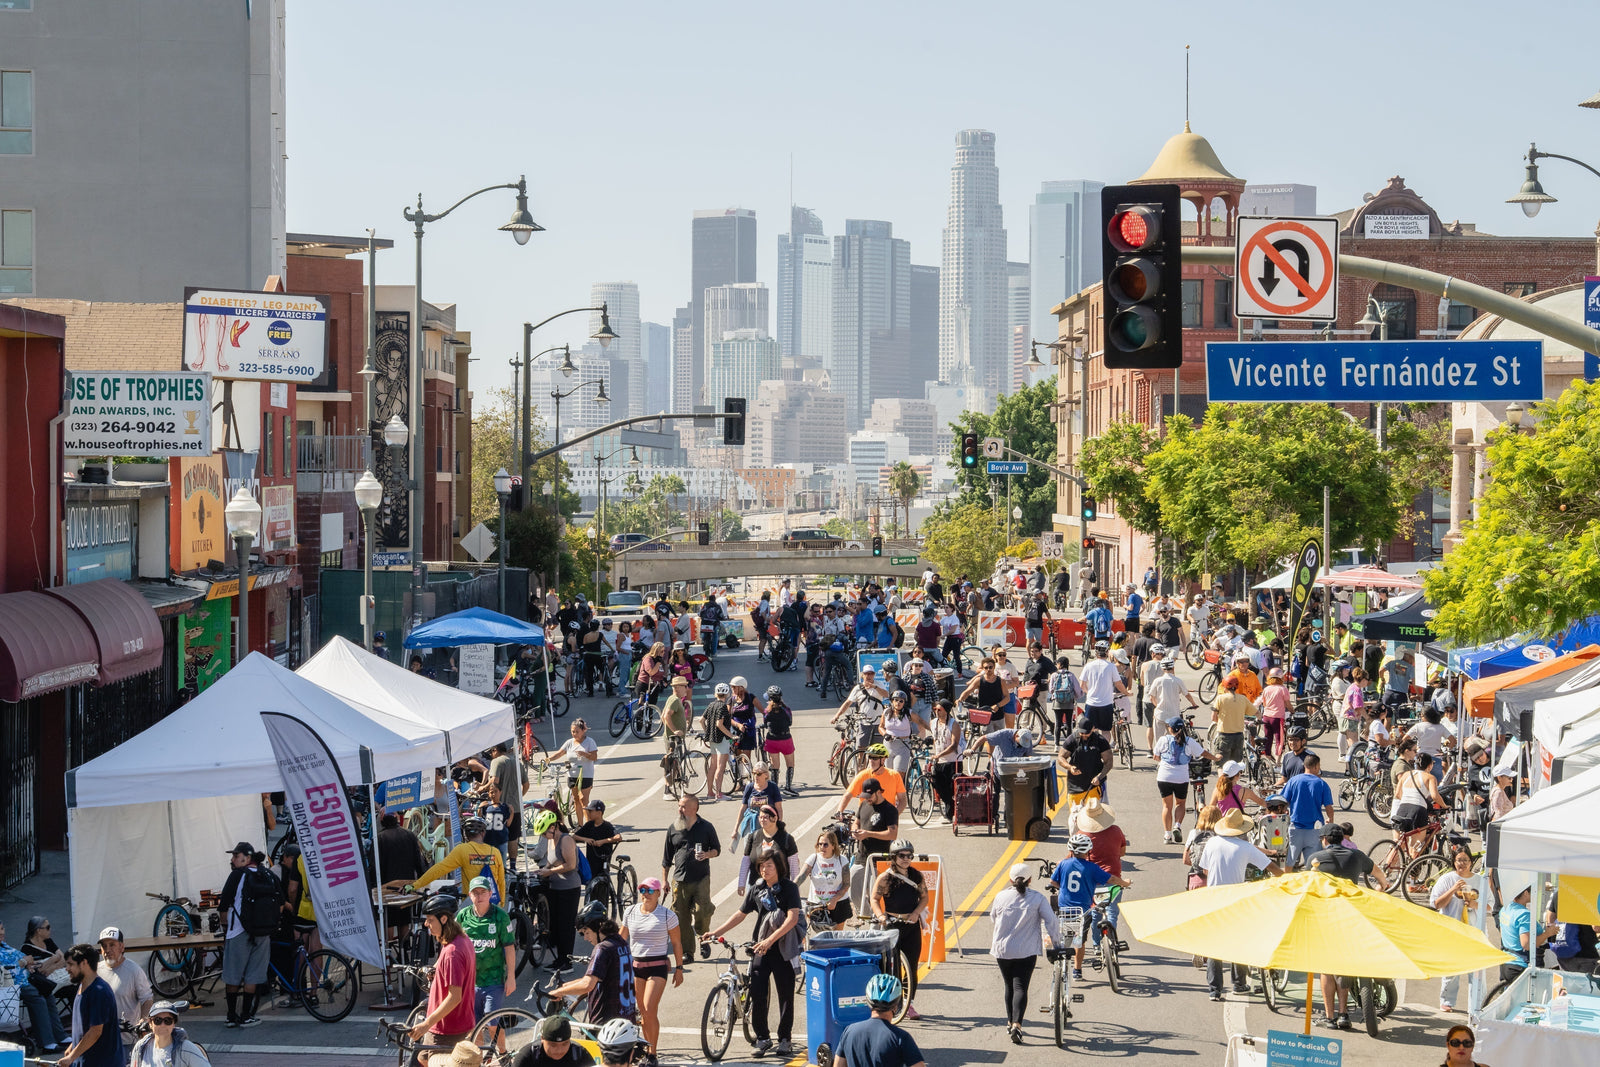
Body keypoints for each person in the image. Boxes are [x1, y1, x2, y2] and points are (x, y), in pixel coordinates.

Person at [703, 848, 802, 1059]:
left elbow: (792, 919)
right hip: (760, 948)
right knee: (757, 993)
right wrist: (716, 932)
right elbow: (741, 914)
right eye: (761, 866)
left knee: (785, 995)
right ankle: (763, 1038)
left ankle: (785, 1039)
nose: (764, 869)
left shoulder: (789, 888)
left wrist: (769, 940)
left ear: (778, 867)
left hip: (782, 947)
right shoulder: (756, 888)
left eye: (769, 865)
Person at [1197, 811, 1281, 1001]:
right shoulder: (1245, 847)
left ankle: (1214, 990)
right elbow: (1272, 868)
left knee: (1214, 947)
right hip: (1235, 899)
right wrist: (1287, 878)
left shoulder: (1212, 843)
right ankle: (1239, 983)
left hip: (1213, 898)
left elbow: (1204, 869)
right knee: (1238, 941)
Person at [989, 862, 1064, 1045]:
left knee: (1009, 986)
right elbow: (1051, 922)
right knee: (1020, 986)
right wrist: (1057, 944)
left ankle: (1009, 1022)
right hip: (1026, 950)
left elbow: (993, 918)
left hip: (1003, 950)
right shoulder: (1037, 898)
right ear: (1030, 880)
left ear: (1010, 879)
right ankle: (1017, 1024)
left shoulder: (1000, 896)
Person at [1051, 834, 1130, 981]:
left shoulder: (1063, 864)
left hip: (1065, 908)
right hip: (1083, 910)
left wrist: (1062, 888)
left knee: (1066, 937)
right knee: (1079, 942)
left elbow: (1053, 882)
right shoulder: (1092, 868)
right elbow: (1111, 879)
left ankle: (1062, 964)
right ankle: (1077, 970)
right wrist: (1125, 883)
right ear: (1088, 851)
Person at [620, 878, 682, 1065]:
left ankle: (652, 1054)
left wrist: (679, 968)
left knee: (648, 1009)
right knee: (642, 1011)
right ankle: (645, 1046)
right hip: (636, 967)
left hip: (657, 967)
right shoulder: (630, 912)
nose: (645, 893)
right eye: (642, 889)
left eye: (649, 890)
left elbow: (677, 943)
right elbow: (622, 938)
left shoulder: (667, 915)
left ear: (658, 893)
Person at [410, 894, 477, 1062]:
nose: (426, 924)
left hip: (447, 1027)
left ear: (444, 919)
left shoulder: (452, 953)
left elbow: (455, 997)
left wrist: (426, 1024)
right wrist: (436, 969)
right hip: (456, 1022)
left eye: (430, 920)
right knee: (423, 1058)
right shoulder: (461, 939)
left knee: (433, 1062)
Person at [549, 901, 637, 1027]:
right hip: (627, 1019)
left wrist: (558, 993)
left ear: (597, 927)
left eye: (586, 932)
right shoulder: (621, 943)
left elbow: (587, 985)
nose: (585, 938)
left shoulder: (602, 948)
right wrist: (566, 986)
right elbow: (597, 978)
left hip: (606, 1023)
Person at [218, 842, 277, 1028]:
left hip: (239, 931)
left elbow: (223, 906)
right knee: (253, 974)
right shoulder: (268, 875)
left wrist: (226, 928)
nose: (232, 859)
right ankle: (246, 1016)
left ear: (247, 857)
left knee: (233, 974)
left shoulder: (237, 875)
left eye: (236, 856)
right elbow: (281, 902)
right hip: (263, 932)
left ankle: (231, 1015)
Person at [871, 839, 927, 1020]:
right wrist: (881, 916)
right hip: (892, 925)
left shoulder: (917, 876)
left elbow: (925, 898)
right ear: (893, 857)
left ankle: (908, 1003)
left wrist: (917, 913)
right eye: (901, 855)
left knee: (911, 967)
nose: (906, 859)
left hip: (911, 926)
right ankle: (891, 1004)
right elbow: (874, 898)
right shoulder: (885, 878)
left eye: (909, 856)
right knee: (890, 967)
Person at [398, 814, 508, 906]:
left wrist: (415, 885)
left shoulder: (462, 850)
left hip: (472, 904)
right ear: (483, 833)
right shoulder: (495, 852)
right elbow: (501, 881)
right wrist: (501, 903)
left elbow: (439, 869)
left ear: (465, 834)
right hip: (492, 903)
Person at [661, 794, 721, 961]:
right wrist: (664, 880)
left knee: (702, 911)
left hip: (701, 878)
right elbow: (666, 858)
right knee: (681, 916)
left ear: (694, 809)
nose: (680, 810)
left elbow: (717, 849)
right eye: (679, 806)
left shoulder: (707, 827)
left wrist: (707, 854)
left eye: (683, 806)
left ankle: (704, 937)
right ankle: (688, 952)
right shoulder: (674, 828)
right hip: (679, 880)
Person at [528, 809, 584, 974]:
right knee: (556, 926)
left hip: (569, 888)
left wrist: (550, 872)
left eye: (545, 831)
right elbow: (551, 862)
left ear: (554, 826)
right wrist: (542, 870)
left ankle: (567, 963)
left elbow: (571, 865)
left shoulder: (566, 840)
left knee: (566, 926)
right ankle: (559, 959)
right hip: (555, 887)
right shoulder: (552, 840)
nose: (544, 835)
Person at [1430, 851, 1488, 1011]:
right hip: (1453, 931)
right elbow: (1436, 904)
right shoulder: (1447, 879)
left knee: (1476, 971)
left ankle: (1477, 1005)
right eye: (1458, 860)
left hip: (1475, 932)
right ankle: (1447, 1001)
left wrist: (1475, 905)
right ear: (1453, 862)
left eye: (1465, 860)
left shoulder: (1480, 881)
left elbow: (1490, 906)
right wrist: (1453, 889)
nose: (1462, 863)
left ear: (1471, 862)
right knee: (1452, 968)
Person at [456, 876, 516, 1025]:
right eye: (475, 893)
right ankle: (480, 1049)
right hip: (469, 981)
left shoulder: (500, 917)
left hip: (493, 980)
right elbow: (451, 945)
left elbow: (509, 947)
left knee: (492, 1022)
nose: (479, 896)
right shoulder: (463, 916)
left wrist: (511, 977)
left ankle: (502, 1049)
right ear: (470, 895)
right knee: (475, 1024)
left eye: (483, 892)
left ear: (490, 894)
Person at [0, 918, 66, 1051]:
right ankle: (47, 1043)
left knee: (47, 992)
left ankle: (59, 1035)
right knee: (37, 998)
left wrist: (28, 964)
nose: (2, 932)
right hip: (9, 984)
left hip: (24, 979)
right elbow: (3, 970)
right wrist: (24, 963)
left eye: (2, 928)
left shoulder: (4, 945)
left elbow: (21, 958)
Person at [57, 943, 122, 1067]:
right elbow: (84, 1029)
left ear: (84, 963)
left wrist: (72, 1057)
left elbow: (95, 1031)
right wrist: (73, 1046)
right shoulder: (82, 987)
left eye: (70, 964)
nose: (67, 969)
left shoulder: (99, 991)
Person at [1154, 716, 1215, 844]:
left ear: (1169, 728)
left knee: (1166, 806)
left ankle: (1167, 835)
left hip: (1164, 776)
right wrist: (1216, 758)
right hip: (1181, 778)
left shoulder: (1163, 740)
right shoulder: (1189, 741)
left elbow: (1156, 756)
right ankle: (1177, 826)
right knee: (1180, 804)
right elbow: (1203, 753)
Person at [1499, 875, 1558, 982]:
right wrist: (1547, 934)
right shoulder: (1524, 915)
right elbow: (1526, 944)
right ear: (1526, 893)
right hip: (1521, 965)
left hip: (1506, 961)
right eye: (1532, 891)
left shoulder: (1505, 908)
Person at [1283, 753, 1335, 868]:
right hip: (1314, 830)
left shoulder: (1293, 781)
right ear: (1316, 766)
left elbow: (1283, 801)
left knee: (1289, 862)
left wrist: (1285, 811)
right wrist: (1330, 821)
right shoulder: (1322, 784)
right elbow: (1329, 809)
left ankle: (1285, 883)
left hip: (1295, 828)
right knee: (1313, 864)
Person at [1058, 716, 1113, 822]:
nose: (1083, 735)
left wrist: (1099, 777)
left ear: (1093, 729)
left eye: (1086, 733)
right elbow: (1061, 757)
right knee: (1076, 818)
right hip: (1075, 786)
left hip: (1093, 786)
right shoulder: (1072, 739)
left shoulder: (1100, 741)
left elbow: (1109, 763)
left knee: (1094, 817)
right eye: (1081, 733)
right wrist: (1069, 767)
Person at [127, 1000, 210, 1067]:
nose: (163, 1025)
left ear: (174, 1024)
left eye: (168, 1021)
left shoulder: (186, 1048)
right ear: (150, 1024)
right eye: (157, 1021)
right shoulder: (141, 1047)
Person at [797, 828, 853, 925]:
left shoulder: (842, 860)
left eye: (825, 844)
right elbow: (800, 878)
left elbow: (846, 884)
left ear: (833, 846)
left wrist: (834, 899)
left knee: (836, 937)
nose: (822, 847)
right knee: (818, 937)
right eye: (820, 844)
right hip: (816, 904)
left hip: (838, 904)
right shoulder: (813, 858)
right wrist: (789, 889)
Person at [544, 719, 599, 812]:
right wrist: (549, 759)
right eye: (573, 731)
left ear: (583, 731)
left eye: (577, 731)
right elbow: (560, 753)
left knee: (584, 801)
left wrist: (585, 754)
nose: (574, 734)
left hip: (585, 775)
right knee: (576, 800)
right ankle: (580, 825)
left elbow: (594, 757)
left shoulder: (590, 742)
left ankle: (588, 824)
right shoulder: (569, 742)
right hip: (572, 775)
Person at [738, 805, 799, 889]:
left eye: (766, 817)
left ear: (775, 818)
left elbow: (794, 866)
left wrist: (795, 889)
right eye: (760, 817)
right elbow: (746, 861)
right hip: (756, 887)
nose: (762, 820)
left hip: (780, 889)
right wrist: (741, 884)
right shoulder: (754, 836)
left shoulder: (787, 839)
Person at [836, 745, 907, 816]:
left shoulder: (894, 775)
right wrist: (839, 811)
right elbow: (847, 795)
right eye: (870, 757)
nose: (871, 761)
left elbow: (902, 800)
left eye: (875, 758)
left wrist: (894, 815)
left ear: (883, 760)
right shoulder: (863, 775)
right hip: (866, 818)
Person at [1079, 643, 1128, 741]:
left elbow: (1082, 685)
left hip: (1091, 703)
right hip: (1106, 704)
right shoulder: (1111, 666)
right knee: (1106, 731)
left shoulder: (1089, 666)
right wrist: (1126, 693)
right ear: (1107, 652)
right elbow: (1118, 683)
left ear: (1096, 652)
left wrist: (1089, 693)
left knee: (1091, 730)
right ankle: (1104, 750)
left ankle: (1093, 750)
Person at [508, 1015, 597, 1067]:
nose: (559, 1050)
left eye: (565, 1044)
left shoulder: (579, 1054)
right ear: (542, 1039)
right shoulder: (528, 1055)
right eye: (553, 1045)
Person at [928, 699, 963, 823]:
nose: (937, 712)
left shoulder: (954, 725)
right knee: (938, 786)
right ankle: (951, 811)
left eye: (939, 710)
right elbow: (935, 739)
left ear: (946, 711)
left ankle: (951, 814)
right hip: (939, 761)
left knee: (952, 788)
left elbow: (954, 746)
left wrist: (938, 755)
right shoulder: (933, 723)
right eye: (935, 709)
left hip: (954, 761)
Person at [761, 686, 799, 796]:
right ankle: (788, 787)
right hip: (785, 739)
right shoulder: (786, 710)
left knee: (774, 766)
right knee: (790, 764)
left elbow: (765, 723)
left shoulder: (767, 711)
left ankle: (774, 789)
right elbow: (790, 722)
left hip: (772, 740)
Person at [660, 676, 692, 800]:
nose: (686, 689)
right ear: (677, 688)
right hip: (673, 738)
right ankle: (667, 790)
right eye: (684, 686)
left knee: (674, 763)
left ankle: (671, 788)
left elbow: (663, 716)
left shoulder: (673, 699)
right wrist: (674, 731)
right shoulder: (674, 700)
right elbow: (666, 716)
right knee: (671, 763)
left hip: (672, 738)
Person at [574, 800, 622, 885]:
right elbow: (574, 836)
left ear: (599, 813)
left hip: (603, 858)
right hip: (591, 860)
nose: (588, 813)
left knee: (604, 881)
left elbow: (618, 837)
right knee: (590, 882)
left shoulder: (607, 826)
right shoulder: (589, 825)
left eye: (591, 811)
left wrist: (603, 841)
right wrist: (586, 839)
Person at [1210, 676, 1253, 764]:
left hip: (1224, 736)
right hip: (1238, 736)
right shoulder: (1243, 699)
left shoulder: (1220, 698)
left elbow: (1213, 718)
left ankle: (1222, 777)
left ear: (1224, 686)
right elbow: (1255, 712)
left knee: (1221, 764)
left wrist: (1222, 722)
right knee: (1235, 765)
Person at [1256, 669, 1291, 758]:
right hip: (1278, 717)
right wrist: (1293, 711)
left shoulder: (1266, 689)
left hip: (1266, 717)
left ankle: (1267, 758)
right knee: (1279, 739)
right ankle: (1278, 761)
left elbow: (1262, 702)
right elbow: (1288, 704)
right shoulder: (1283, 689)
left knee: (1268, 738)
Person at [1339, 667, 1368, 761]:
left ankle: (1349, 768)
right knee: (1353, 745)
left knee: (1351, 745)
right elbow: (1358, 707)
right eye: (1367, 680)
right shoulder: (1357, 690)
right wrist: (1368, 718)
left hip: (1345, 717)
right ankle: (1352, 767)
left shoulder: (1352, 687)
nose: (1368, 682)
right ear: (1363, 680)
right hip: (1350, 718)